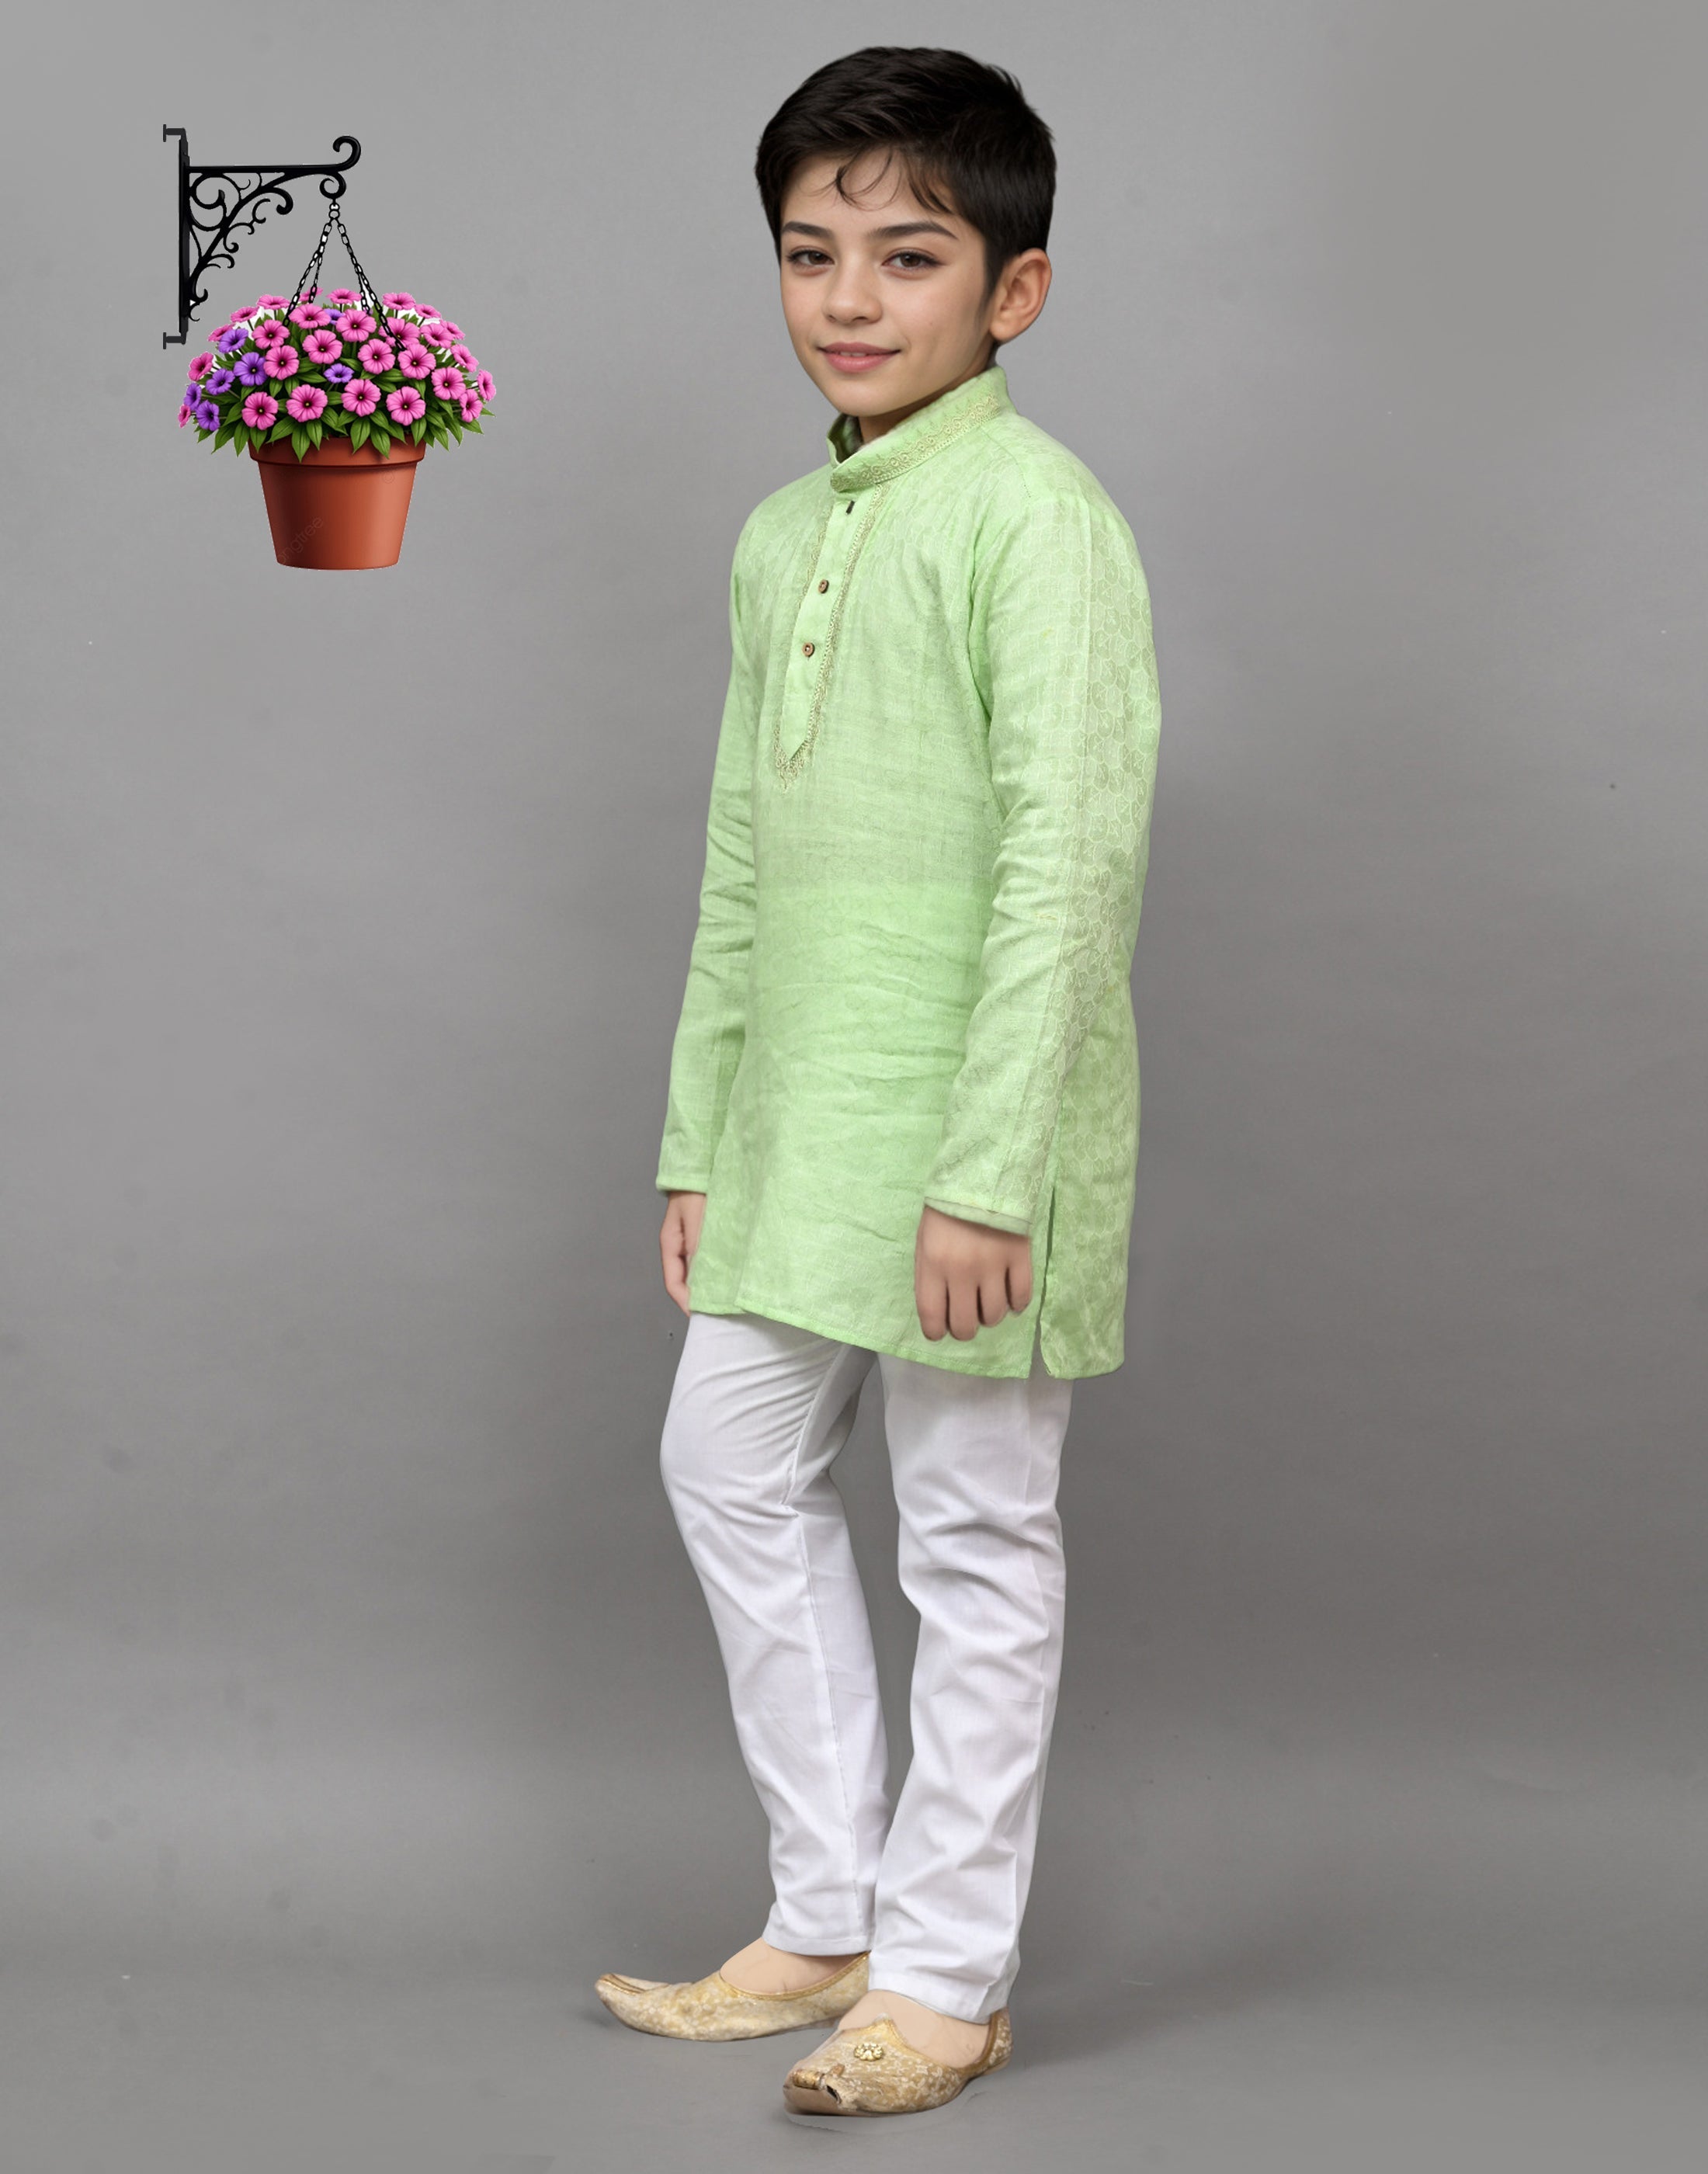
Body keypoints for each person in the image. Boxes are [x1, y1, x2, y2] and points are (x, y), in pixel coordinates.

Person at [595, 44, 1161, 2117]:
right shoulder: (782, 535)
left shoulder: (1040, 519)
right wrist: (702, 1135)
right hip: (801, 1126)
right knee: (726, 1463)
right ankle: (827, 1910)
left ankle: (943, 1979)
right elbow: (743, 862)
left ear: (1013, 291)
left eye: (907, 256)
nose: (848, 297)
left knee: (975, 1533)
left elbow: (1069, 868)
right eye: (809, 251)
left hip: (976, 1145)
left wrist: (990, 1171)